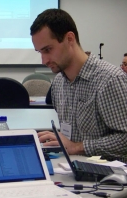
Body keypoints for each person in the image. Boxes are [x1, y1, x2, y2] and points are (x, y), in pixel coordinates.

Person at [30, 9, 127, 162]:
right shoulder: (58, 83)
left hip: (108, 178)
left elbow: (125, 139)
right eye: (40, 52)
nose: (44, 60)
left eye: (48, 50)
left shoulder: (110, 79)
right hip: (71, 170)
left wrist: (77, 147)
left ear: (69, 38)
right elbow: (70, 136)